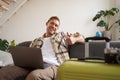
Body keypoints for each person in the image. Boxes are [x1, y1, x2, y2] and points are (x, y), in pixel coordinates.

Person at [0, 16, 85, 80]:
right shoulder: (37, 40)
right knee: (5, 71)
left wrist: (74, 39)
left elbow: (82, 38)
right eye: (52, 23)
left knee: (34, 76)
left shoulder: (62, 36)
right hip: (32, 65)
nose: (53, 26)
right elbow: (27, 54)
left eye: (56, 25)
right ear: (47, 23)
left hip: (53, 66)